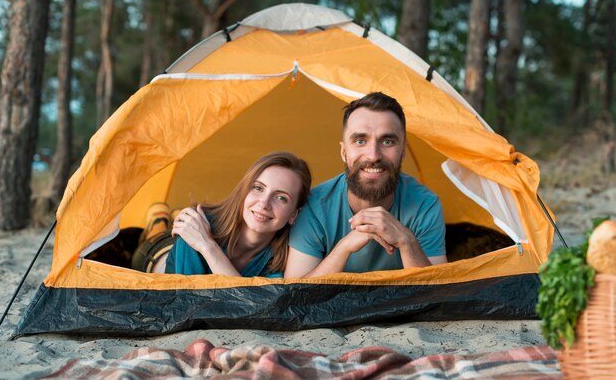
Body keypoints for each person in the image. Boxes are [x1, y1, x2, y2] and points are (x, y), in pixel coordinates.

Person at [284, 92, 447, 278]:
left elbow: (437, 295)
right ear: (344, 152)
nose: (373, 155)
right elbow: (295, 297)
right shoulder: (314, 207)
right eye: (360, 141)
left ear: (402, 152)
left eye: (387, 141)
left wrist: (406, 241)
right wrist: (342, 250)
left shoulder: (425, 205)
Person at [165, 151, 312, 277]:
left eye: (281, 198)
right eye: (258, 188)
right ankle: (159, 218)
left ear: (294, 214)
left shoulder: (291, 259)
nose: (264, 204)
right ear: (244, 190)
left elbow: (252, 308)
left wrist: (209, 248)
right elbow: (185, 300)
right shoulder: (198, 227)